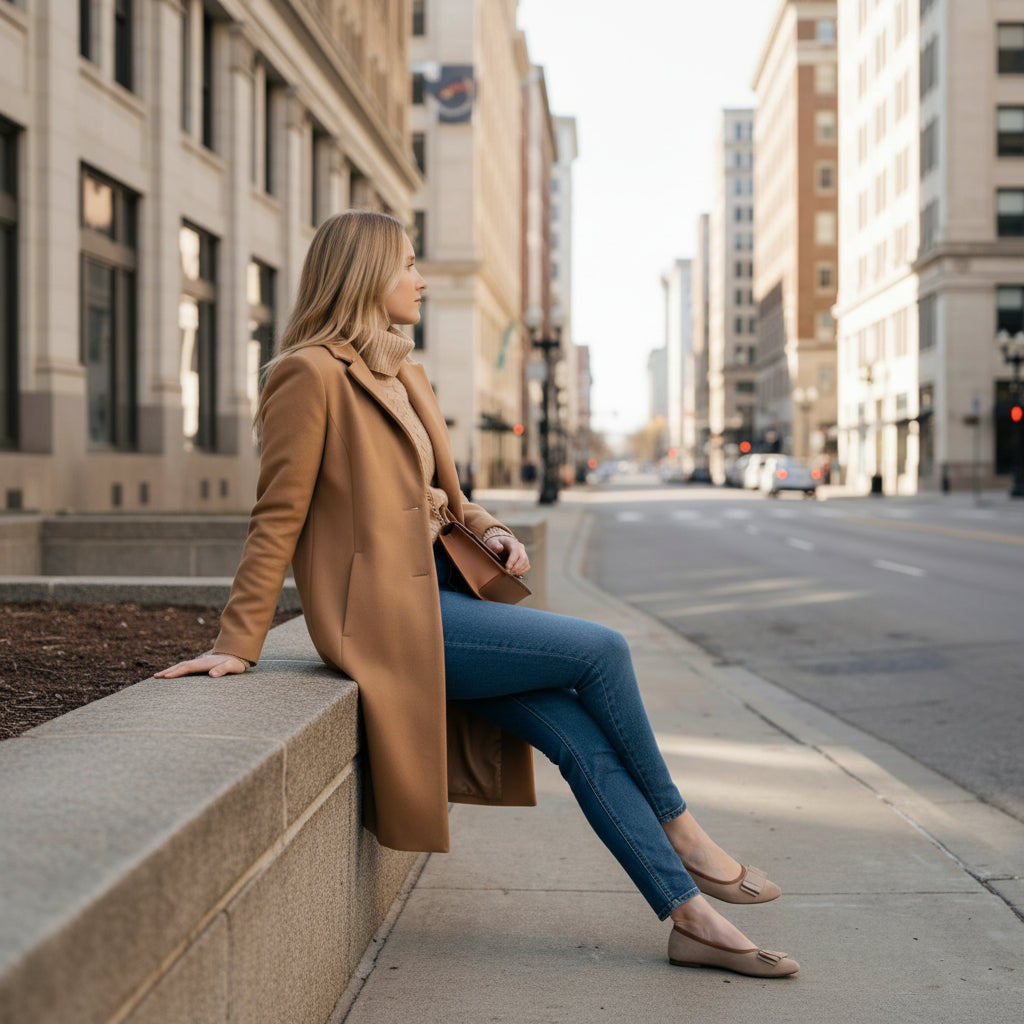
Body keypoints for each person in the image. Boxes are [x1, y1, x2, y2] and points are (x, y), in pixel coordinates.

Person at [157, 211, 799, 979]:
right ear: (364, 276)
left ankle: (691, 919)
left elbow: (441, 496)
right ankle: (685, 833)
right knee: (601, 650)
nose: (422, 280)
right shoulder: (309, 373)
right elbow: (278, 515)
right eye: (408, 266)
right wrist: (238, 643)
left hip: (442, 596)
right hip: (384, 619)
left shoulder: (404, 374)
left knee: (575, 735)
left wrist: (490, 527)